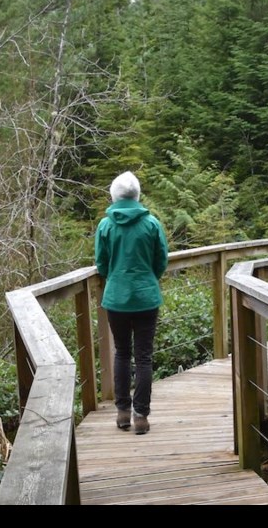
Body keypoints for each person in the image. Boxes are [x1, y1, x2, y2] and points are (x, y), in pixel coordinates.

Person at [94, 171, 169, 435]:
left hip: (116, 298)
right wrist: (148, 279)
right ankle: (141, 416)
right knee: (144, 356)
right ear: (137, 195)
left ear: (114, 196)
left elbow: (101, 264)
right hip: (147, 297)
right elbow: (161, 260)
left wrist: (114, 277)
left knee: (122, 353)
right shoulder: (151, 224)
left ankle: (122, 412)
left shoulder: (105, 226)